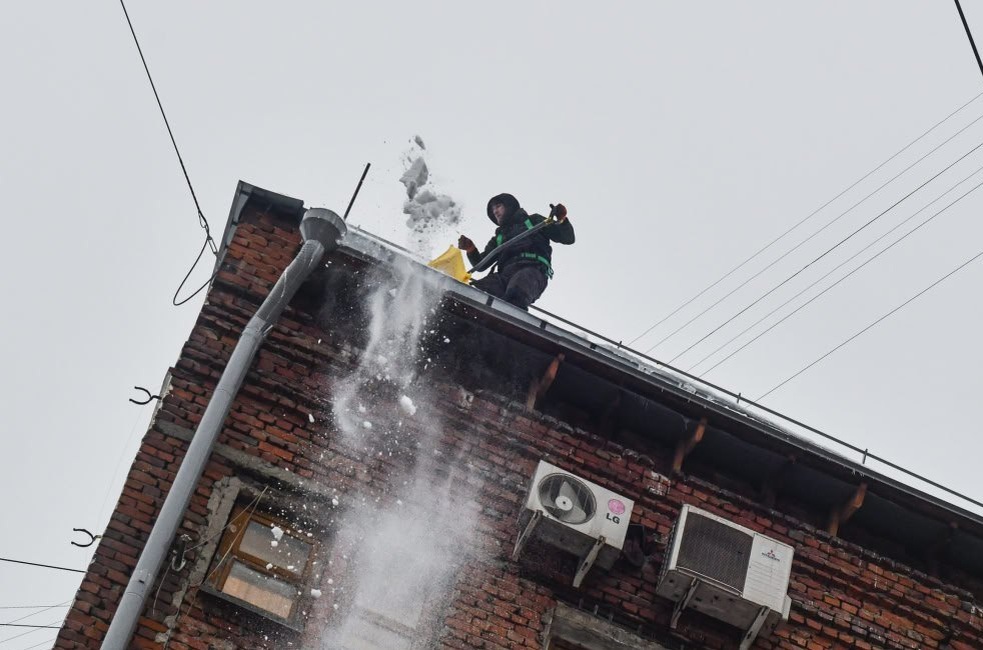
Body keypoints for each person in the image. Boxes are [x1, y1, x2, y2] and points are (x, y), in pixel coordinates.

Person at [457, 193, 575, 310]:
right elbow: (481, 264)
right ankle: (463, 313)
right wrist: (471, 249)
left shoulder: (533, 221)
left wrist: (561, 220)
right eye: (493, 210)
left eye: (498, 206)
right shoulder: (499, 237)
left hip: (533, 271)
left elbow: (567, 238)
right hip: (505, 275)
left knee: (517, 289)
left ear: (509, 206)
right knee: (480, 290)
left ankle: (508, 316)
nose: (495, 212)